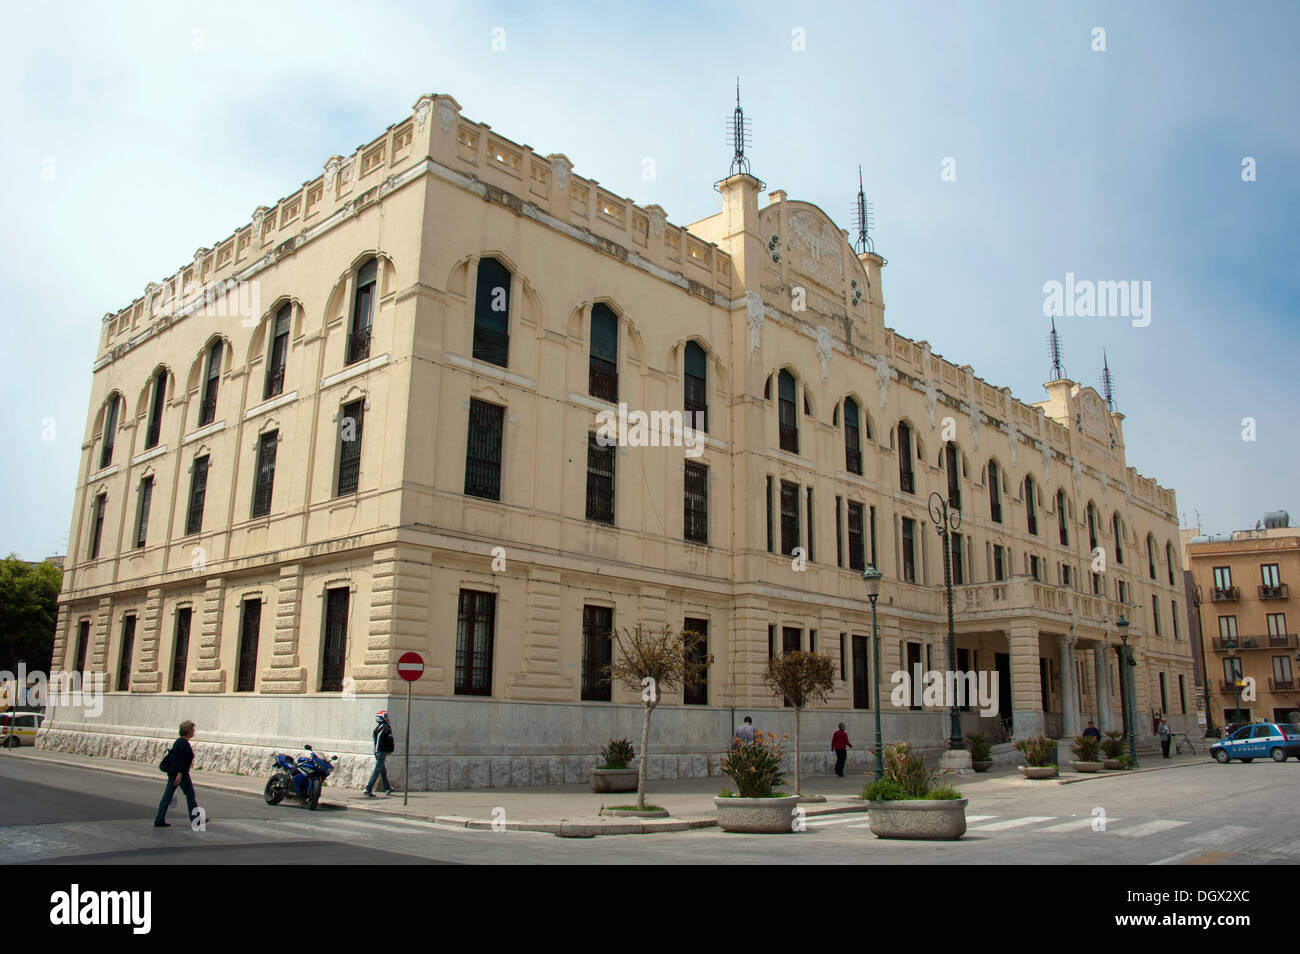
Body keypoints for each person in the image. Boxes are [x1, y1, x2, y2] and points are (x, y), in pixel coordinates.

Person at [155, 720, 200, 828]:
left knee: (168, 796)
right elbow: (179, 760)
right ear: (188, 731)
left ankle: (159, 819)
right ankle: (196, 819)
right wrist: (179, 775)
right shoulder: (183, 744)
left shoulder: (179, 742)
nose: (194, 731)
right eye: (192, 729)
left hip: (176, 774)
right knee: (190, 796)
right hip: (181, 775)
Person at [364, 710, 396, 797]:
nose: (387, 718)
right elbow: (378, 741)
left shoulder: (379, 727)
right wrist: (378, 752)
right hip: (380, 752)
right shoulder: (384, 727)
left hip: (379, 752)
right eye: (386, 716)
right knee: (377, 770)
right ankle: (368, 789)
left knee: (383, 771)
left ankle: (387, 788)